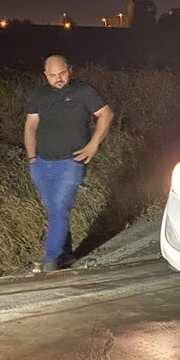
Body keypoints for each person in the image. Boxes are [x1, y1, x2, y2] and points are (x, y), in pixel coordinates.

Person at [24, 54, 114, 272]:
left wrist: (94, 145)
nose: (58, 78)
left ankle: (51, 259)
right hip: (42, 163)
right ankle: (65, 255)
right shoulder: (39, 94)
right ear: (45, 75)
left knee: (59, 208)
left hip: (71, 162)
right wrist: (32, 158)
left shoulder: (83, 92)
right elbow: (30, 126)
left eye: (62, 73)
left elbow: (106, 115)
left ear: (69, 70)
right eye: (53, 75)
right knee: (56, 210)